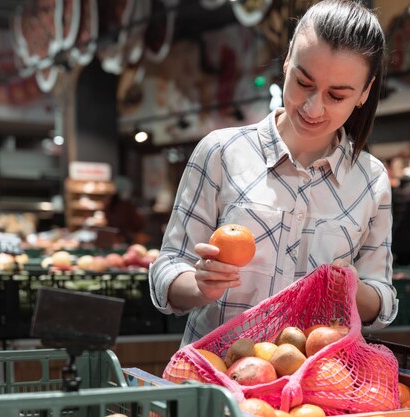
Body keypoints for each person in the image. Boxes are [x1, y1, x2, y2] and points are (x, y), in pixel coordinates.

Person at [149, 0, 397, 345]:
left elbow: (382, 301)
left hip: (314, 385)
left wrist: (351, 289)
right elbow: (167, 269)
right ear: (287, 63)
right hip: (215, 375)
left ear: (364, 93)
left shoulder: (370, 179)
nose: (313, 107)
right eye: (303, 82)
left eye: (336, 95)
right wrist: (198, 285)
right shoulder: (222, 152)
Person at [104, 176, 146, 244]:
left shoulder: (108, 204)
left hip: (113, 238)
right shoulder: (127, 206)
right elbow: (138, 223)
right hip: (126, 239)